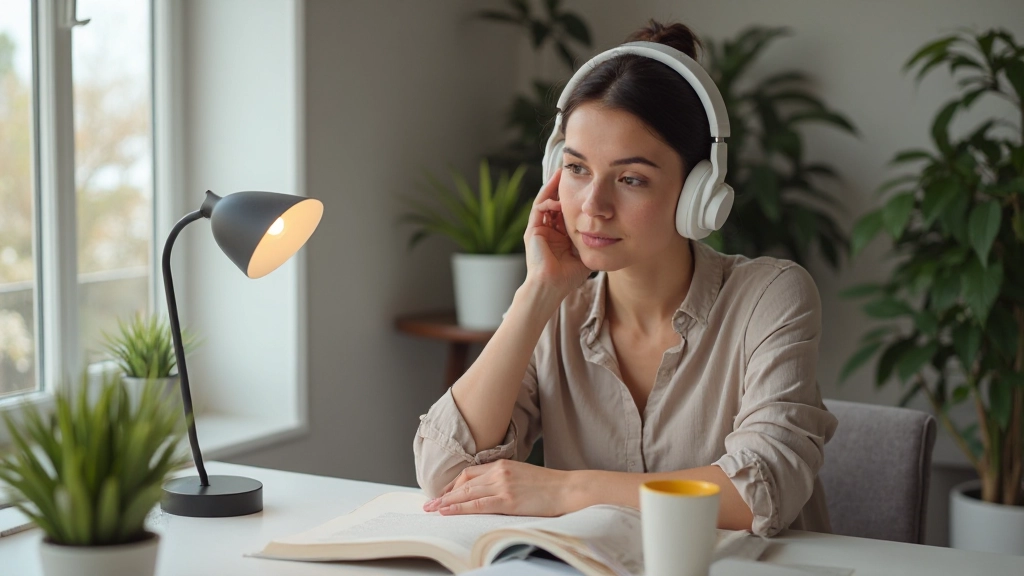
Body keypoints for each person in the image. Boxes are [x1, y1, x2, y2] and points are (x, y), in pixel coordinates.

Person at [413, 20, 838, 538]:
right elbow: (444, 473)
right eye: (576, 169)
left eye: (631, 179)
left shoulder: (769, 297)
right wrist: (537, 292)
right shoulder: (556, 311)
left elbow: (761, 492)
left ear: (697, 195)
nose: (593, 206)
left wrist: (566, 490)